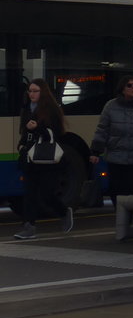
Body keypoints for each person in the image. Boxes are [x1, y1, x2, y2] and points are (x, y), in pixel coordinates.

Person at [13, 79, 73, 240]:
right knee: (29, 194)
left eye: (35, 91)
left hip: (47, 159)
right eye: (30, 91)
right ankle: (29, 226)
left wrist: (37, 128)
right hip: (30, 157)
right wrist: (21, 144)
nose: (31, 94)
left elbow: (55, 135)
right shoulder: (26, 109)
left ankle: (63, 211)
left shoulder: (51, 110)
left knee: (46, 194)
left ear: (43, 93)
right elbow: (25, 132)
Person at [89, 76, 133, 208]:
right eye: (129, 85)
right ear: (122, 89)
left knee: (129, 190)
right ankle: (122, 215)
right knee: (114, 190)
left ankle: (126, 221)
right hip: (116, 156)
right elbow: (102, 130)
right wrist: (95, 152)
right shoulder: (111, 106)